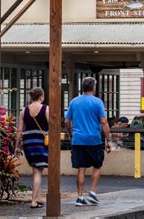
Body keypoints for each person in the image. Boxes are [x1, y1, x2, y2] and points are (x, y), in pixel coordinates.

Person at [64, 77, 111, 207]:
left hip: (78, 140)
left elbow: (67, 121)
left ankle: (79, 197)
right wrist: (108, 139)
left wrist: (70, 134)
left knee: (81, 168)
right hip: (94, 139)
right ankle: (93, 192)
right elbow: (103, 122)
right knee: (97, 166)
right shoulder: (97, 102)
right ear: (94, 87)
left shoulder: (74, 101)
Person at [14, 87, 49, 208]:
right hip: (40, 141)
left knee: (36, 169)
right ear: (41, 97)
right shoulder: (46, 109)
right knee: (38, 171)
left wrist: (17, 146)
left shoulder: (23, 111)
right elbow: (52, 127)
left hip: (28, 142)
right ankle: (34, 201)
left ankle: (38, 197)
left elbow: (19, 130)